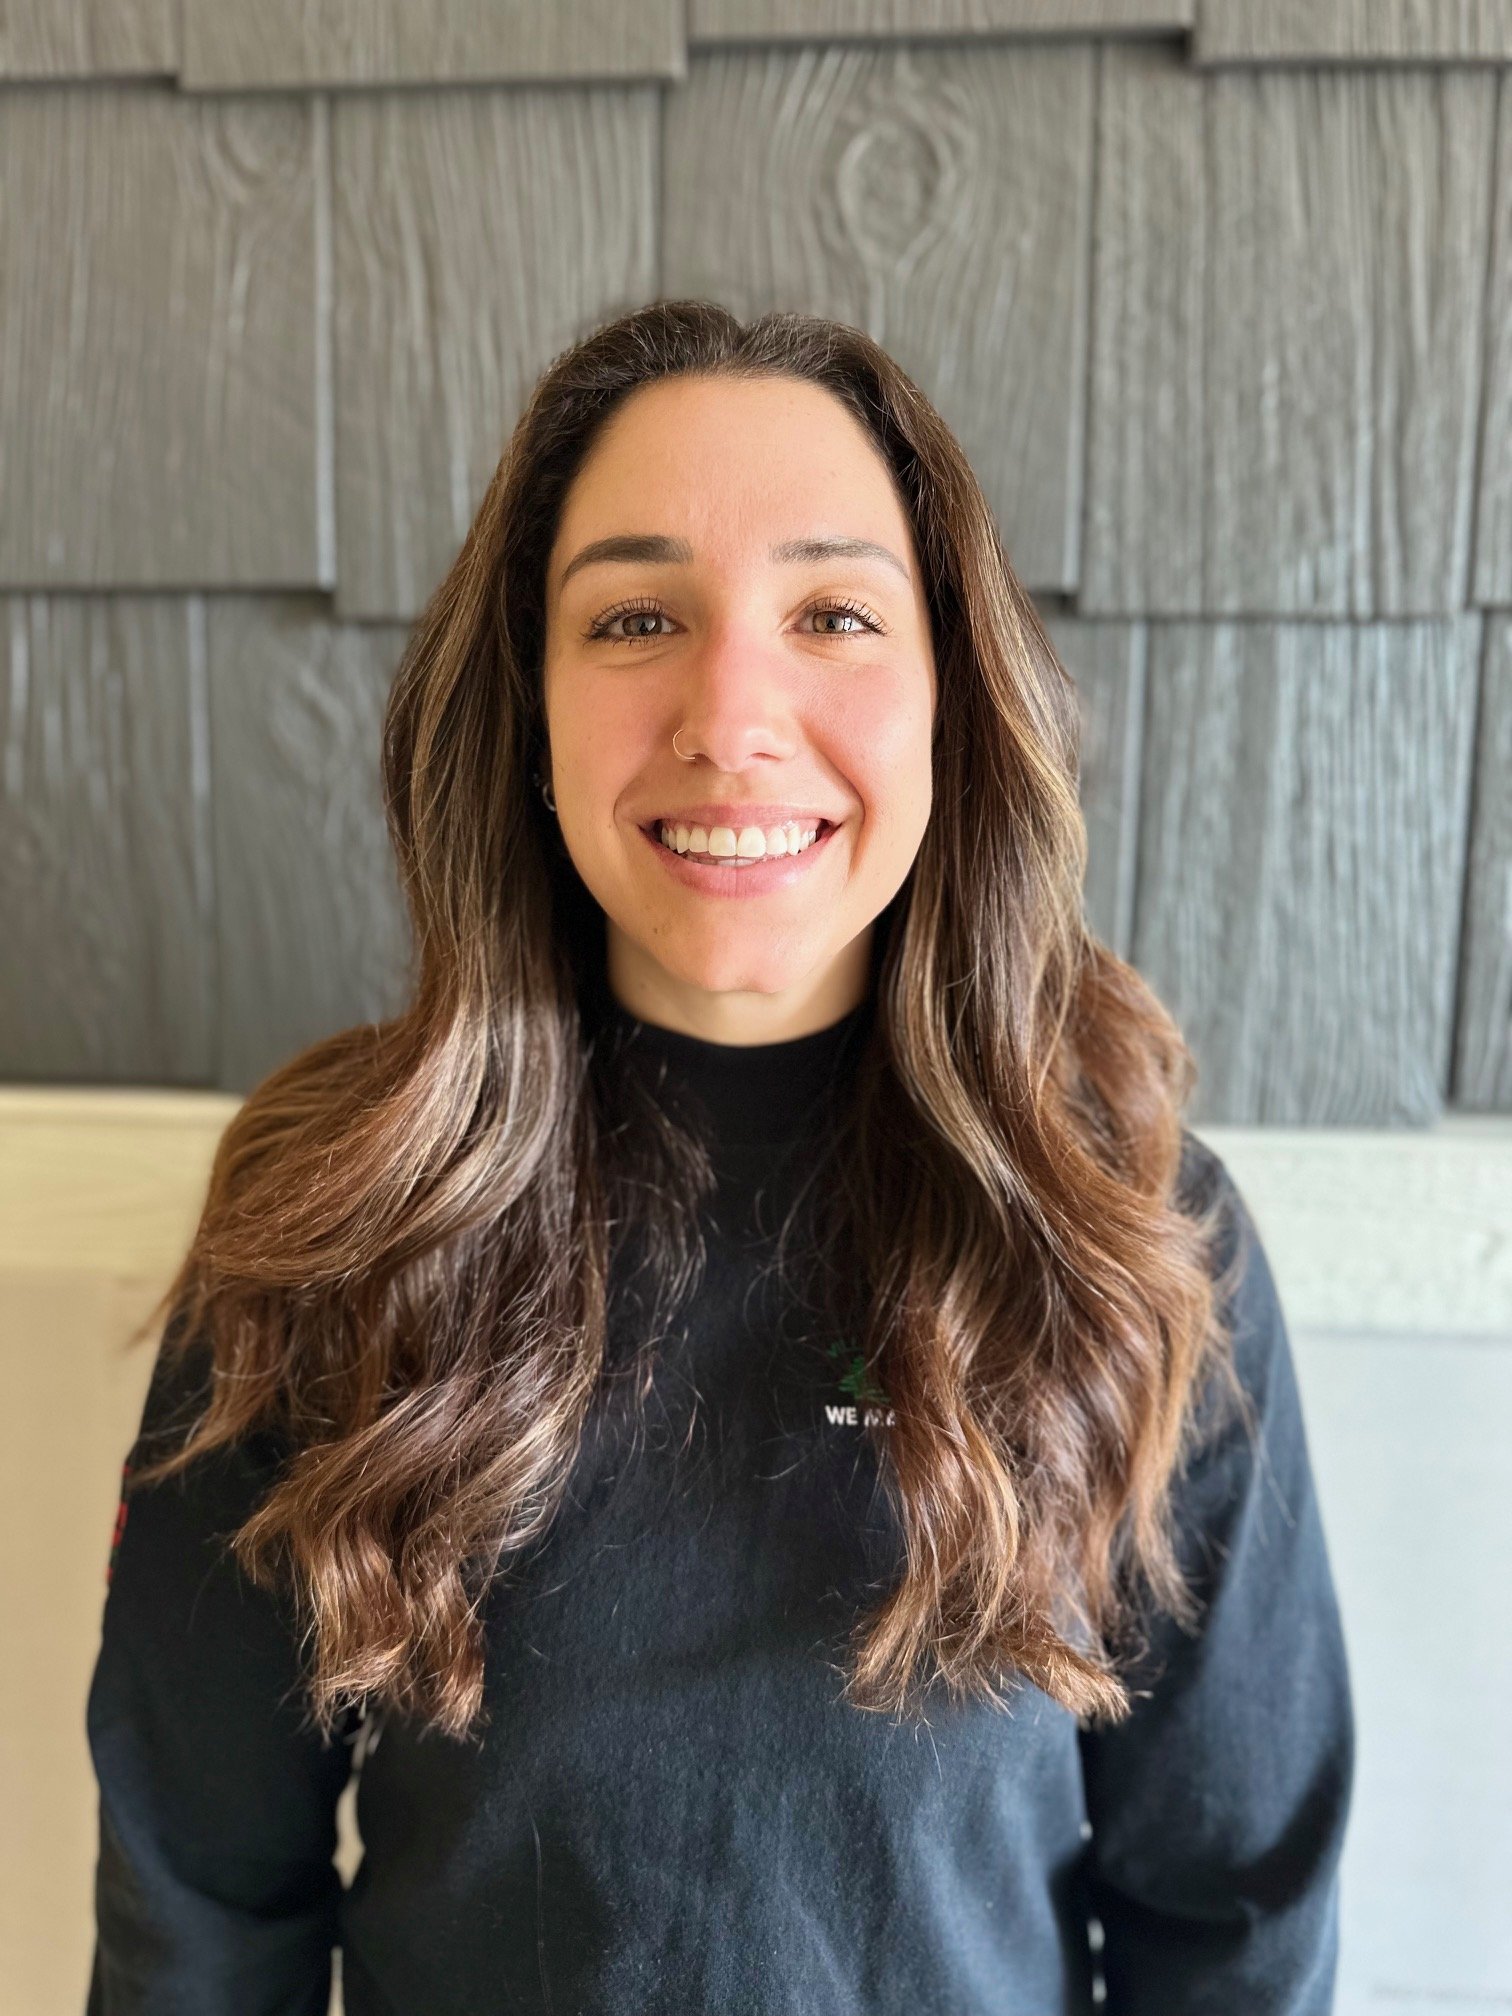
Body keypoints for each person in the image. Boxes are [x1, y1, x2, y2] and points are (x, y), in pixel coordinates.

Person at [85, 299, 1354, 2014]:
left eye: (832, 611)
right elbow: (198, 1914)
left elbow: (1240, 1923)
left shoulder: (1133, 1229)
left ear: (950, 697)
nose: (731, 710)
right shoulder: (333, 1220)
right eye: (634, 617)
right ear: (526, 710)